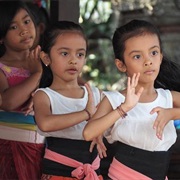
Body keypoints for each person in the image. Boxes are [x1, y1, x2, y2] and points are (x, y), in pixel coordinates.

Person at [83, 19, 180, 179]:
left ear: (161, 57)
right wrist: (124, 108)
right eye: (137, 56)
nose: (148, 61)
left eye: (153, 53)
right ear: (121, 65)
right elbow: (88, 133)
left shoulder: (168, 97)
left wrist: (172, 114)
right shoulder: (114, 99)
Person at [33, 20, 104, 180]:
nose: (74, 60)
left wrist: (102, 127)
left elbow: (115, 123)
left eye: (80, 54)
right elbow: (45, 123)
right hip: (58, 173)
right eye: (65, 53)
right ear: (46, 58)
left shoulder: (94, 94)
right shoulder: (44, 95)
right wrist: (87, 113)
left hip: (92, 172)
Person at [0, 1, 45, 179]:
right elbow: (8, 102)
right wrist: (36, 74)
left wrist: (41, 96)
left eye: (27, 22)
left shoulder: (47, 59)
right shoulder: (3, 67)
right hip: (8, 149)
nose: (24, 30)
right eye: (13, 26)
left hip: (41, 148)